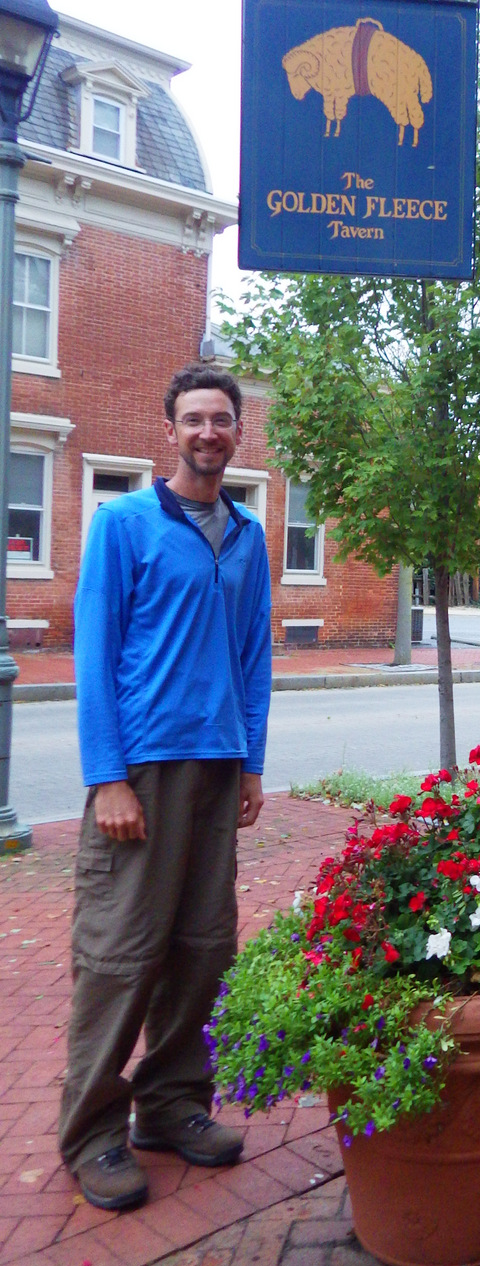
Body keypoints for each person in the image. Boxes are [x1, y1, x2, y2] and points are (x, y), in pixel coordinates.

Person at [59, 364, 272, 1211]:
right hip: (142, 768)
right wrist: (107, 777)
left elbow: (253, 657)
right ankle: (93, 1134)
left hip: (217, 768)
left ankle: (173, 1105)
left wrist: (252, 761)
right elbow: (94, 657)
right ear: (171, 431)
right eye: (194, 419)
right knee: (120, 953)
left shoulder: (248, 534)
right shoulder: (125, 524)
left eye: (222, 419)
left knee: (201, 947)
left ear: (236, 431)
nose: (208, 433)